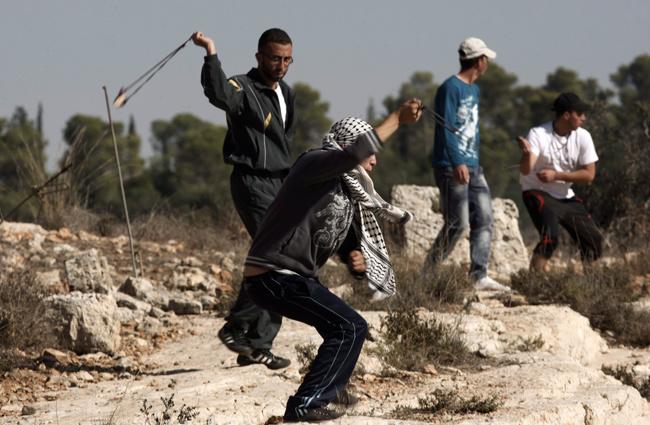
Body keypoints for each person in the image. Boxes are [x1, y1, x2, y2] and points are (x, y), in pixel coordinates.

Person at [243, 99, 422, 422]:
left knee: (339, 326)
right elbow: (353, 156)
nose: (374, 162)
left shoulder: (345, 186)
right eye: (369, 153)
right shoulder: (315, 163)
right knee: (350, 326)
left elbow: (333, 227)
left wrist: (352, 253)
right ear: (348, 146)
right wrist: (396, 118)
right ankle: (306, 403)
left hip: (290, 277)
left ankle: (330, 386)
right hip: (275, 275)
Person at [192, 28, 297, 369]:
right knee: (275, 255)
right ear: (259, 58)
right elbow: (218, 93)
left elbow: (285, 144)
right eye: (274, 58)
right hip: (251, 182)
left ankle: (256, 344)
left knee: (286, 261)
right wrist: (210, 51)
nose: (280, 65)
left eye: (286, 59)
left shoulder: (288, 95)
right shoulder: (242, 87)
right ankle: (238, 328)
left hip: (281, 184)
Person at [424, 37, 510, 291]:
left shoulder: (475, 90)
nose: (487, 64)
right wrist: (457, 161)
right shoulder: (450, 88)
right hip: (452, 166)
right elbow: (446, 129)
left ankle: (479, 275)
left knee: (484, 218)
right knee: (457, 223)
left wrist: (471, 161)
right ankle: (427, 273)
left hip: (474, 166)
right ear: (480, 61)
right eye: (486, 60)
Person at [516, 93, 602, 271]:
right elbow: (525, 170)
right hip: (537, 191)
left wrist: (557, 175)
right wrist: (526, 154)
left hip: (564, 195)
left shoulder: (583, 137)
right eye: (580, 113)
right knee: (550, 237)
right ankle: (533, 284)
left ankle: (593, 286)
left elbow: (589, 174)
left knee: (592, 238)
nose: (584, 118)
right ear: (566, 115)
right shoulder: (538, 134)